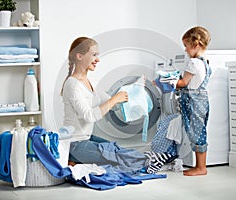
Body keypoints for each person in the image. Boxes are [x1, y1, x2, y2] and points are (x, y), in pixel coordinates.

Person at [60, 36, 174, 174]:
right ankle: (150, 161)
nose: (98, 59)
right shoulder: (73, 84)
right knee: (114, 155)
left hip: (86, 138)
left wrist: (136, 89)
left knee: (115, 148)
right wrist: (114, 100)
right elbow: (90, 116)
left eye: (98, 55)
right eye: (94, 55)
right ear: (79, 56)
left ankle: (152, 161)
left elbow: (113, 101)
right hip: (73, 144)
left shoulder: (89, 82)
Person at [155, 26, 211, 176]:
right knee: (198, 131)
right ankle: (200, 166)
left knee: (196, 133)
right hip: (201, 99)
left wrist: (162, 80)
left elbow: (182, 83)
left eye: (186, 46)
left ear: (196, 44)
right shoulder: (205, 62)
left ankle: (201, 168)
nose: (185, 50)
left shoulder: (193, 63)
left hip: (193, 101)